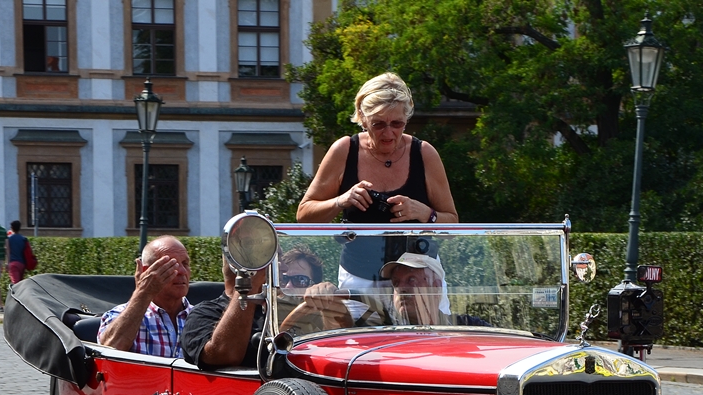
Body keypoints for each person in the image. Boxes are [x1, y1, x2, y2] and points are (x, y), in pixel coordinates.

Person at [296, 73, 459, 289]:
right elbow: (303, 216)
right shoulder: (344, 150)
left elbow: (454, 225)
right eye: (379, 124)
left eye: (397, 123)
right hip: (359, 278)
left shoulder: (424, 153)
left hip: (419, 281)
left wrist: (425, 214)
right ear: (362, 118)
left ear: (407, 119)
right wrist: (341, 201)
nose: (388, 133)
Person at [97, 235, 193, 357]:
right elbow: (108, 354)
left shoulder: (203, 318)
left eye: (185, 263)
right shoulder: (118, 315)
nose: (182, 271)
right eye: (171, 265)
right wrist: (144, 292)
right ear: (147, 272)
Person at [180, 258, 269, 369]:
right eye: (271, 258)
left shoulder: (277, 311)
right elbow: (225, 356)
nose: (283, 266)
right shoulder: (203, 313)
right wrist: (249, 283)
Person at [381, 252, 488, 327]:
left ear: (436, 287)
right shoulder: (387, 335)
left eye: (411, 280)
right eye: (396, 283)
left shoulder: (469, 327)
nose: (401, 288)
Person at [6, 220, 30, 285]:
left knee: (16, 284)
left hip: (13, 263)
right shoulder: (24, 239)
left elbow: (8, 251)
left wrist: (7, 263)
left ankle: (16, 295)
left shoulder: (9, 239)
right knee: (21, 283)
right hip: (22, 263)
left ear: (11, 228)